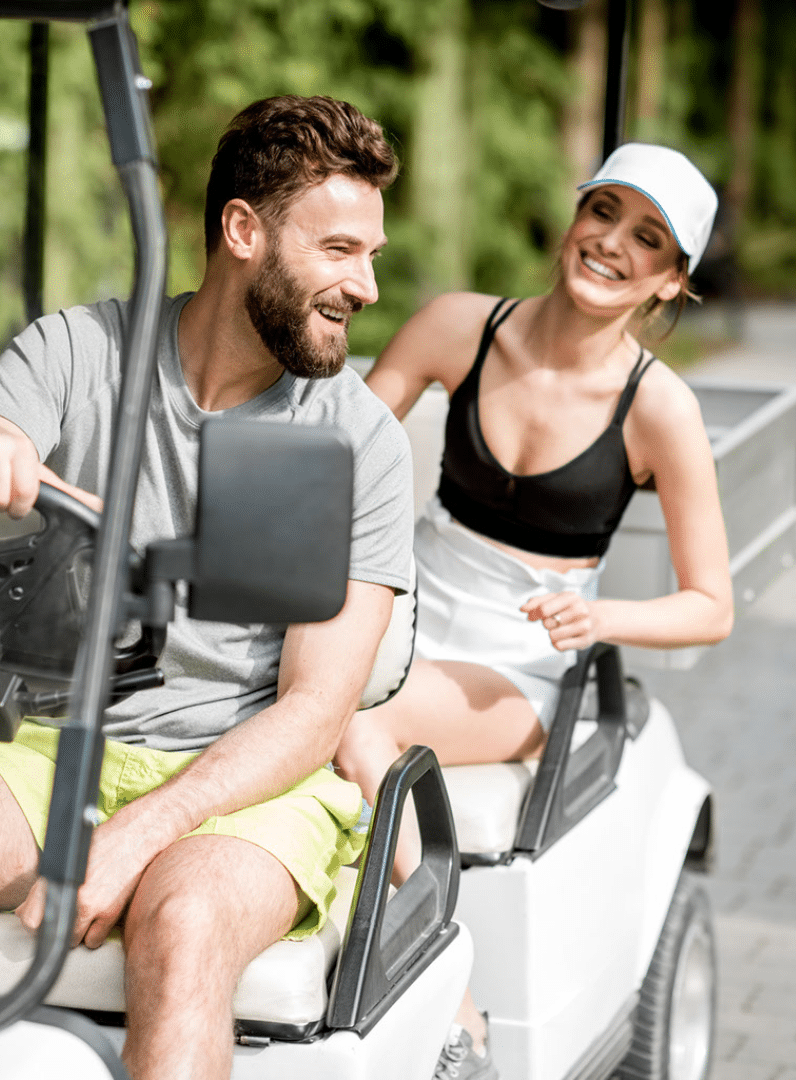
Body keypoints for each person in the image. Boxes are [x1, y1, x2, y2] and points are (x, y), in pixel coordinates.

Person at [0, 95, 414, 1080]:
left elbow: (314, 712)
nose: (367, 285)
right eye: (342, 249)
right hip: (59, 745)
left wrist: (136, 834)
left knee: (180, 924)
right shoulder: (76, 351)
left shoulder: (357, 442)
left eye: (374, 256)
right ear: (242, 231)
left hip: (246, 785)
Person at [334, 143, 734, 1080]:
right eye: (605, 212)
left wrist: (605, 622)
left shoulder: (660, 409)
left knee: (351, 719)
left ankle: (457, 998)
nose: (612, 245)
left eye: (648, 240)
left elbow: (710, 606)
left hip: (523, 662)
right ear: (575, 217)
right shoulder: (454, 326)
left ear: (671, 282)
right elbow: (338, 457)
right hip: (412, 612)